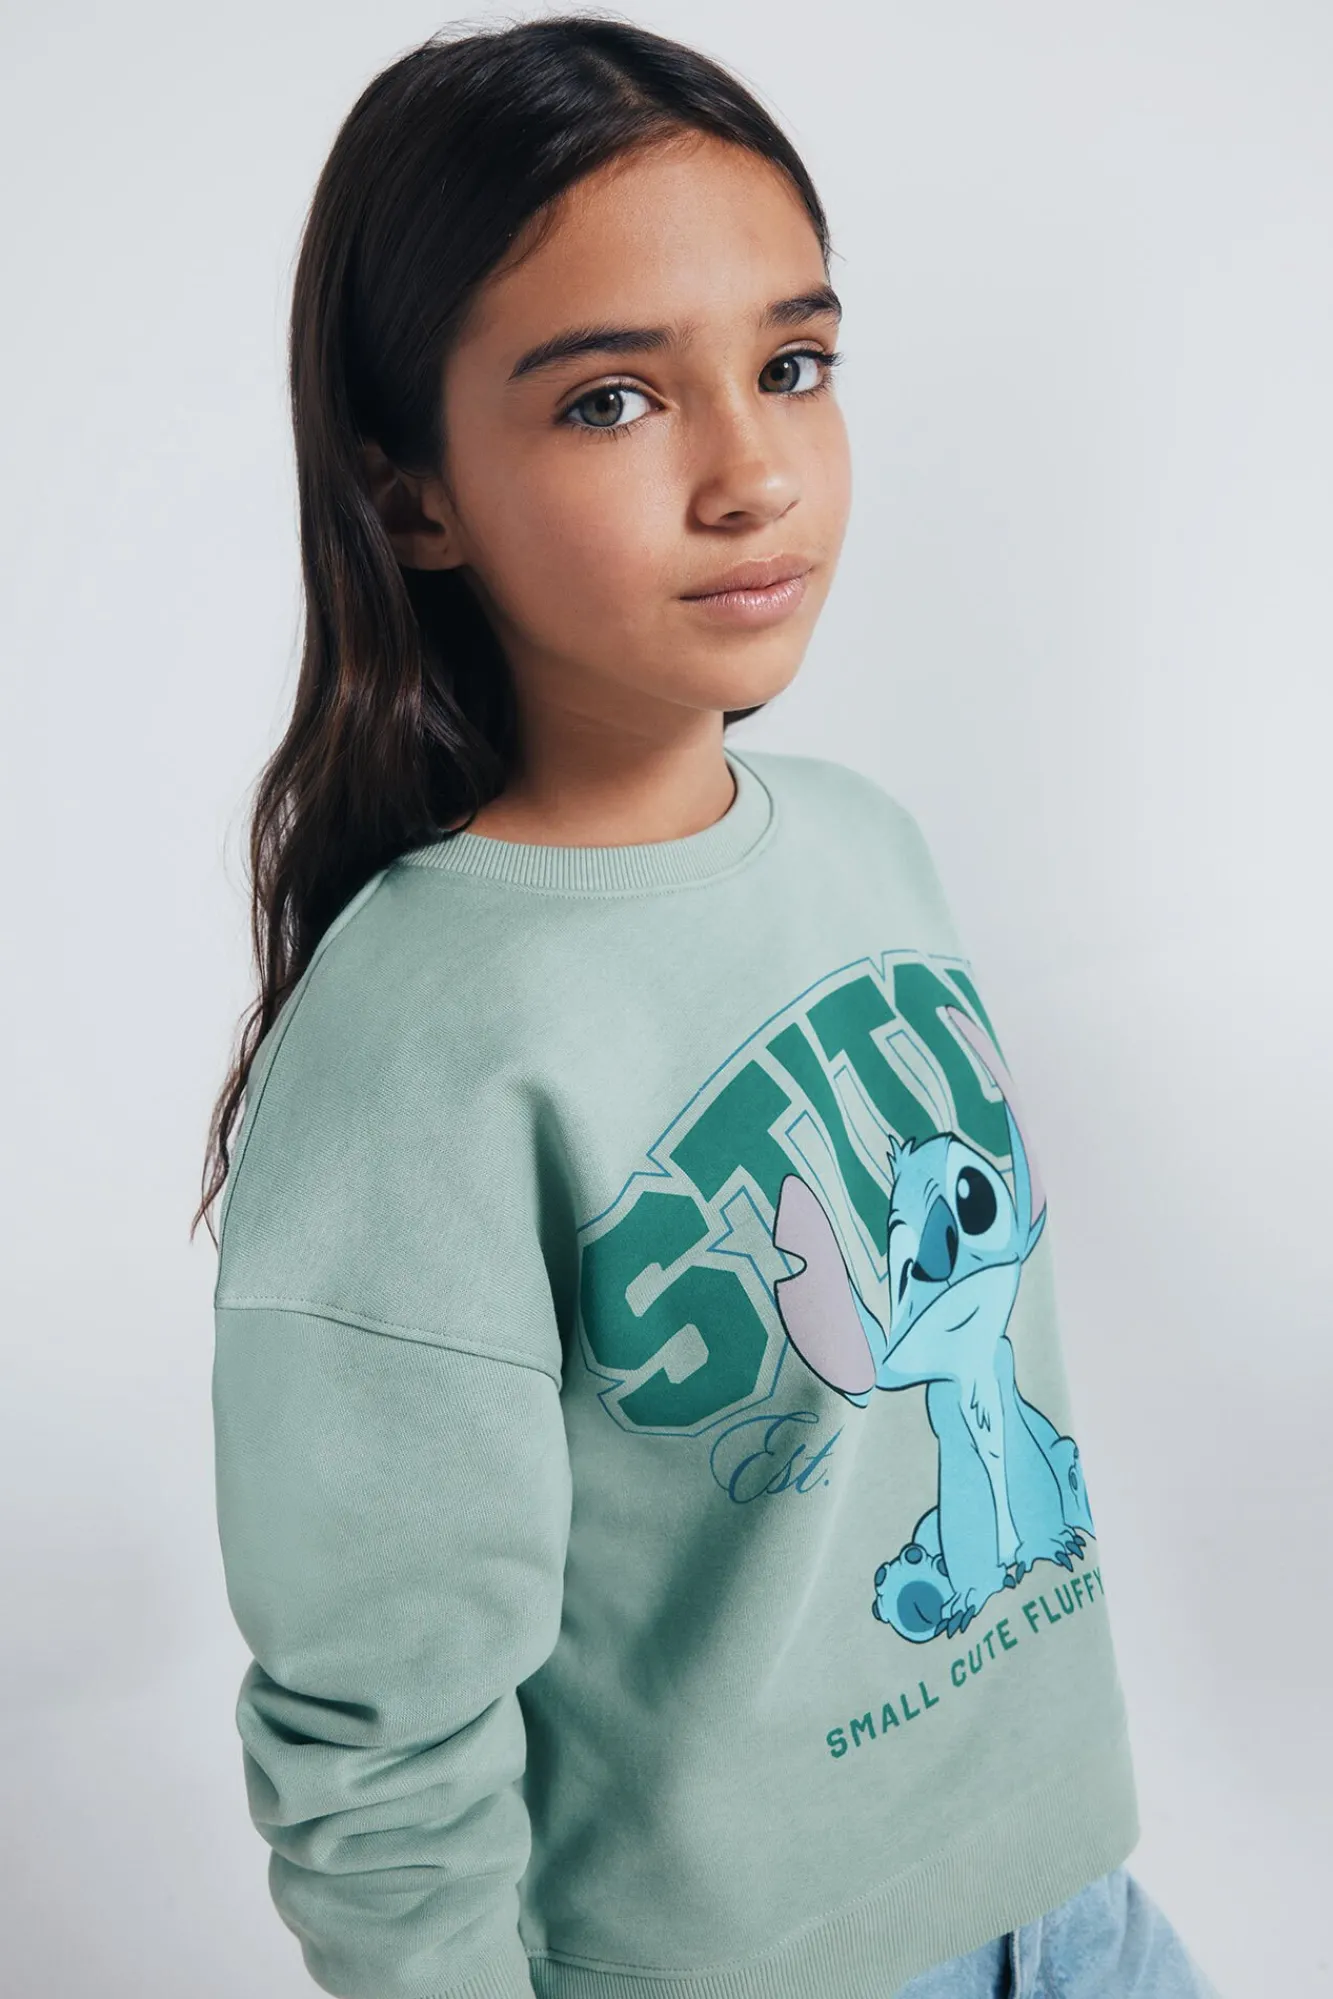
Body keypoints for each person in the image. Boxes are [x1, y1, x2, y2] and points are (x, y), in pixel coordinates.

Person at [196, 16, 1223, 1999]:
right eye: (611, 401)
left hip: (1082, 1907)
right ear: (412, 496)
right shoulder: (421, 1045)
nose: (752, 474)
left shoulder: (866, 847)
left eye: (793, 365)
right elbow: (378, 1757)